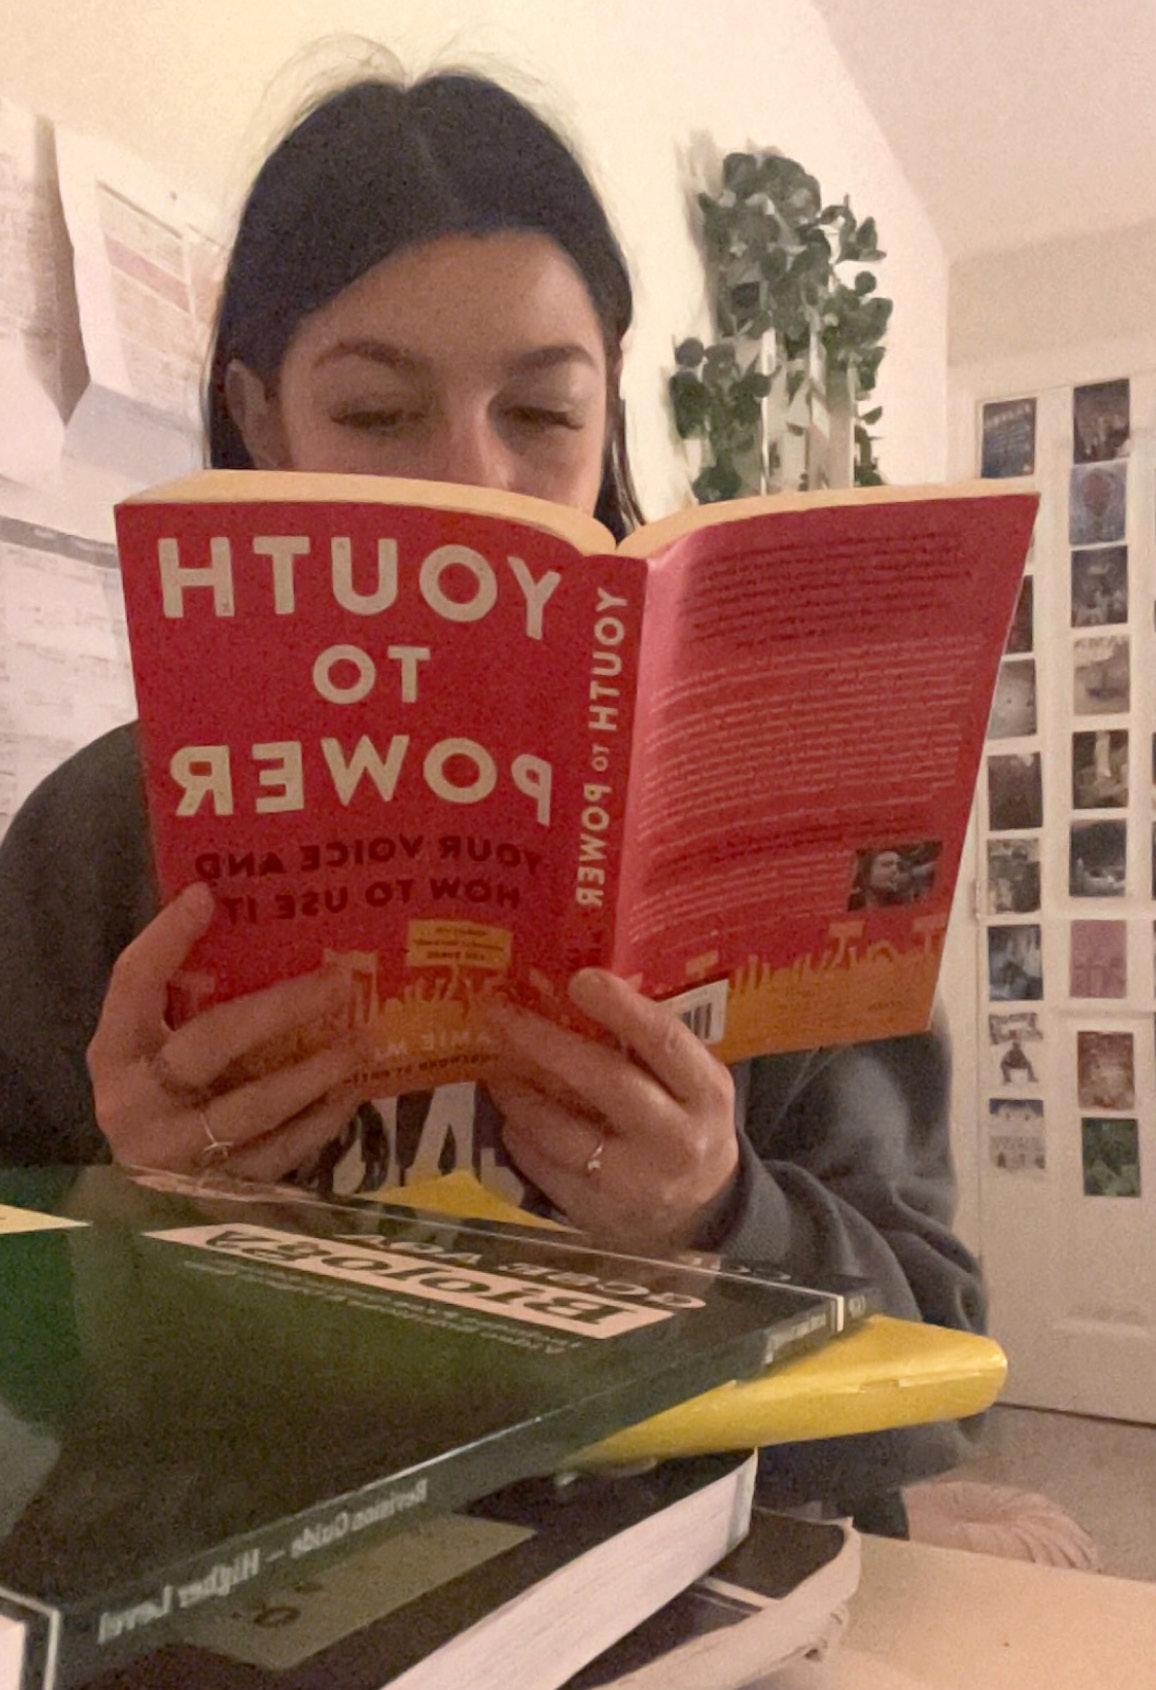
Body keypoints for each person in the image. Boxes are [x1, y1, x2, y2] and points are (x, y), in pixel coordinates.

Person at [0, 70, 984, 1527]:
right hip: (253, 1575)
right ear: (260, 416)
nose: (478, 481)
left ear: (612, 405)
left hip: (679, 1569)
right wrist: (132, 1205)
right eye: (378, 411)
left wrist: (718, 1214)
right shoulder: (95, 837)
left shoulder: (762, 813)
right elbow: (29, 1388)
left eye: (541, 411)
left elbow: (933, 1374)